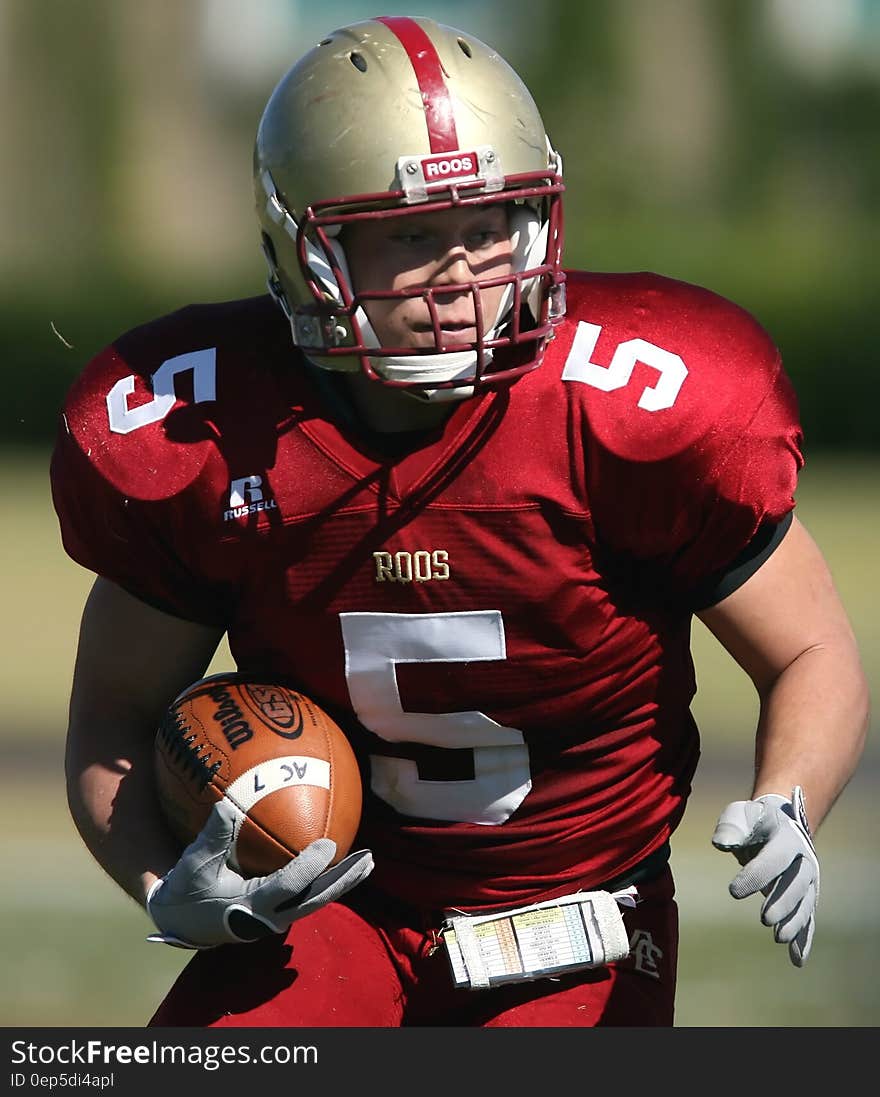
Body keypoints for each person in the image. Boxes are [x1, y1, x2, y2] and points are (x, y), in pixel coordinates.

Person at [50, 15, 869, 1028]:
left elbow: (809, 651)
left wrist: (789, 799)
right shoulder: (207, 428)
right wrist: (162, 885)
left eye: (486, 227)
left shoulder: (633, 403)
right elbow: (116, 712)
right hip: (330, 905)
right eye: (408, 235)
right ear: (306, 245)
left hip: (577, 915)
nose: (461, 276)